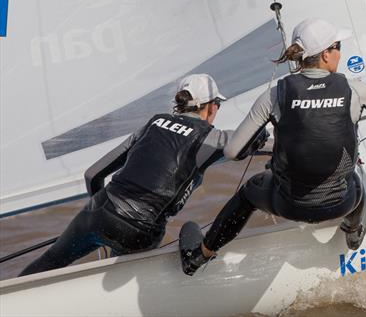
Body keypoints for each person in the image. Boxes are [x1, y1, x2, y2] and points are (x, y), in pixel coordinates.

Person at [179, 18, 366, 276]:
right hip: (341, 203)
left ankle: (200, 256)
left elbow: (233, 152)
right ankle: (354, 232)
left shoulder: (275, 95)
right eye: (338, 47)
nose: (340, 53)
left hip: (288, 205)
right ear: (325, 54)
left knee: (248, 192)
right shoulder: (354, 90)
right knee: (356, 176)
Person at [19, 74, 243, 276]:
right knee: (122, 268)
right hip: (140, 231)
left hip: (98, 212)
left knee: (50, 261)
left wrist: (102, 213)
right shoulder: (212, 138)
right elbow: (250, 141)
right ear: (212, 108)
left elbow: (92, 174)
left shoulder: (153, 123)